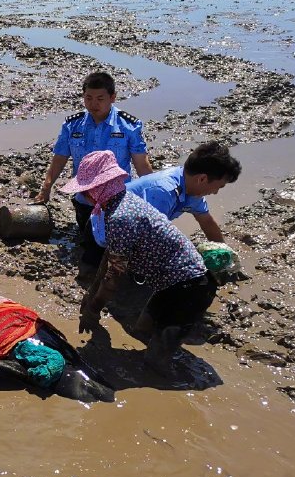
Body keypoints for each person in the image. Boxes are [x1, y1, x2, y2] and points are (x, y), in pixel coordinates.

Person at [66, 150, 216, 375]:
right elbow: (110, 255)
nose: (84, 196)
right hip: (171, 283)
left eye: (86, 191)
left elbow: (114, 276)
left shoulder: (120, 216)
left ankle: (175, 383)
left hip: (190, 288)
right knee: (142, 330)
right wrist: (90, 296)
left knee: (156, 361)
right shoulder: (121, 200)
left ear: (95, 191)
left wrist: (94, 309)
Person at [35, 71, 153, 282]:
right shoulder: (72, 125)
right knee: (91, 243)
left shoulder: (129, 126)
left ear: (113, 97)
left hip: (117, 202)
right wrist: (46, 188)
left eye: (100, 99)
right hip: (84, 200)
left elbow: (141, 164)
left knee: (115, 252)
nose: (93, 104)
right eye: (88, 98)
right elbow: (60, 158)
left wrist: (152, 198)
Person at [125, 141, 241, 243]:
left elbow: (207, 222)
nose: (215, 192)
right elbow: (150, 237)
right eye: (219, 187)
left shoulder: (193, 190)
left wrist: (225, 254)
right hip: (112, 237)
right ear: (202, 179)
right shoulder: (163, 191)